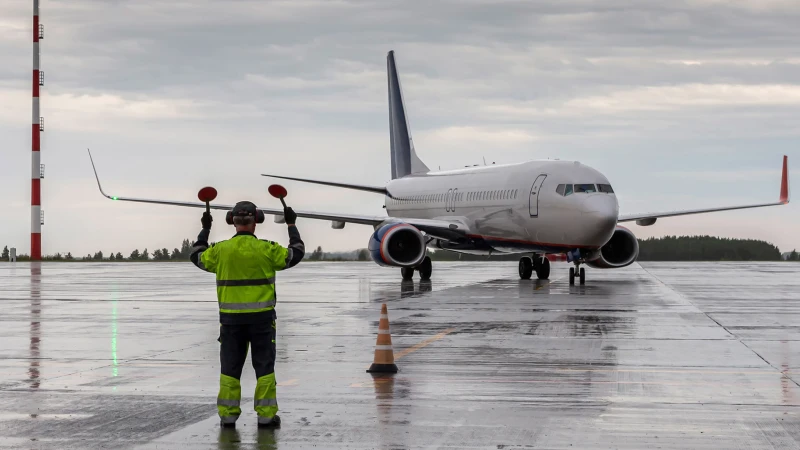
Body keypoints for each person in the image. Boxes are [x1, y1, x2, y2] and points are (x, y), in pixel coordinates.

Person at [190, 200, 304, 428]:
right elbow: (296, 253)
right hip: (262, 320)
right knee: (264, 368)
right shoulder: (267, 249)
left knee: (230, 369)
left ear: (232, 221)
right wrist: (291, 224)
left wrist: (205, 228)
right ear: (256, 221)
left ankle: (228, 415)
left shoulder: (220, 251)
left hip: (231, 321)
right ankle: (266, 415)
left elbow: (197, 255)